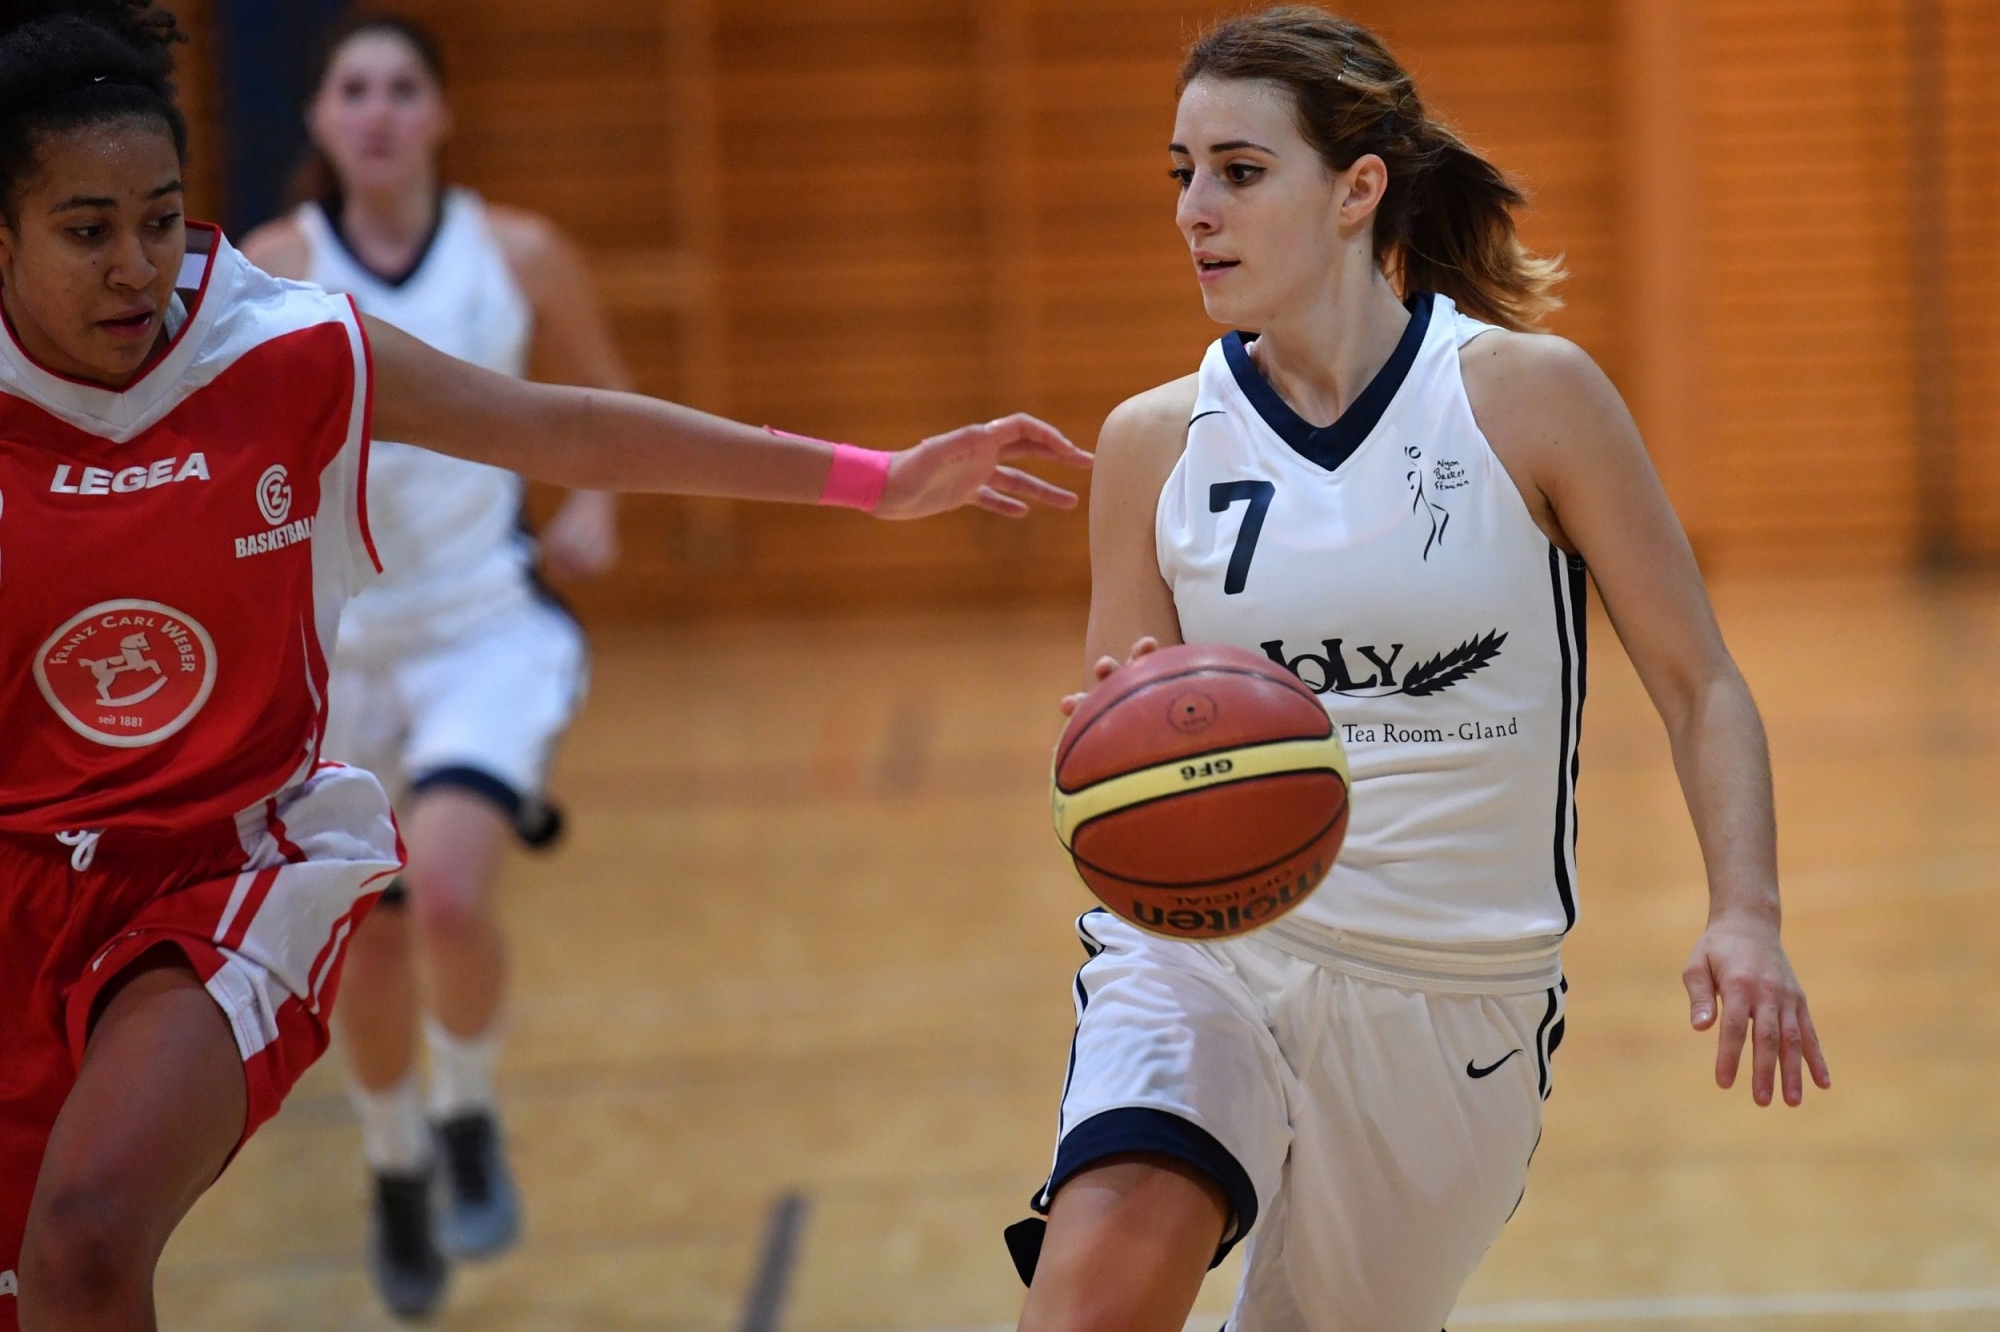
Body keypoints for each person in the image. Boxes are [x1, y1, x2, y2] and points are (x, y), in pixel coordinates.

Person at [0, 4, 1088, 1330]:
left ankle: (447, 1125)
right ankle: (408, 1148)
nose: (135, 266)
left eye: (160, 219)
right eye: (86, 231)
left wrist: (875, 480)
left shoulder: (281, 338)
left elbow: (558, 423)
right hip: (31, 862)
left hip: (222, 866)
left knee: (88, 1241)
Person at [1007, 10, 1831, 1332]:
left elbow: (1701, 684)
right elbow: (1122, 746)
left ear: (1359, 190)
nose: (1196, 211)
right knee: (1101, 1278)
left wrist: (1748, 913)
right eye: (1182, 173)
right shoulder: (1154, 445)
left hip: (1456, 994)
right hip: (1212, 951)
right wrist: (1107, 754)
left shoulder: (1529, 398)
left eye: (1239, 170)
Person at [239, 16, 631, 1312]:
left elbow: (601, 406)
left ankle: (464, 1117)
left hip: (481, 631)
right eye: (353, 88)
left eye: (403, 88)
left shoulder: (515, 250)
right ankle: (396, 1159)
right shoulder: (272, 268)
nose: (379, 111)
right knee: (370, 936)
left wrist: (595, 507)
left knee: (450, 892)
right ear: (320, 120)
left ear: (441, 113)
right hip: (338, 651)